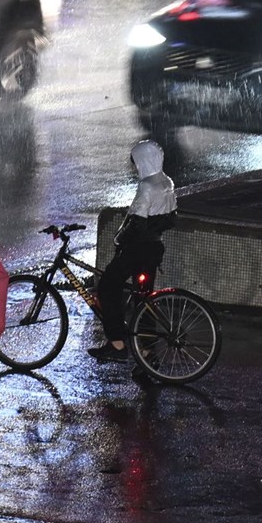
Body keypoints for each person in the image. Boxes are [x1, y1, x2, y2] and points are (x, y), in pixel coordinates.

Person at [89, 140, 178, 362]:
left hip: (136, 249)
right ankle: (148, 352)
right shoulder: (166, 181)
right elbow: (171, 218)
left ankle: (117, 343)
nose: (134, 167)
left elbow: (137, 222)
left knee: (108, 287)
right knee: (144, 298)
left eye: (135, 162)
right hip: (154, 246)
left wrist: (119, 239)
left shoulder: (147, 185)